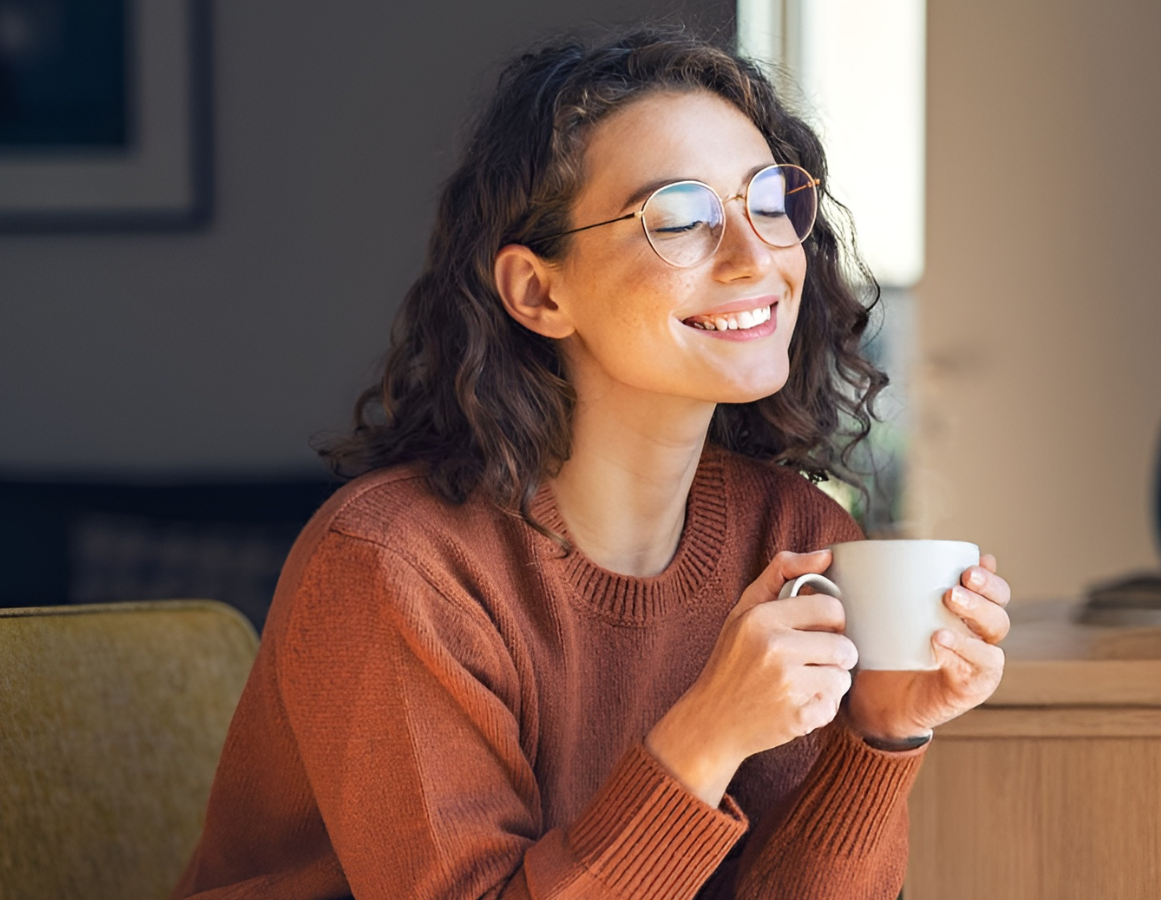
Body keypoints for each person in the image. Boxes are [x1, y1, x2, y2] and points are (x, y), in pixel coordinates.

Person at [172, 26, 1011, 900]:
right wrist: (706, 736)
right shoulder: (397, 568)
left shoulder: (794, 537)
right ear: (540, 292)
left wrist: (879, 737)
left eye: (769, 202)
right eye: (680, 219)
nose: (755, 256)